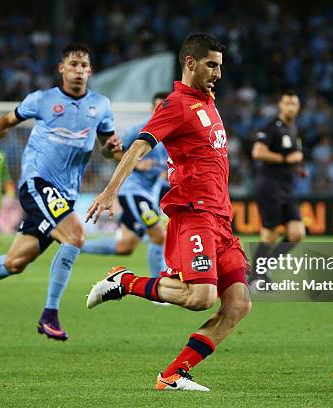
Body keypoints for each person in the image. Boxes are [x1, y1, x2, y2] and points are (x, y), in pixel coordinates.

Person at [86, 33, 251, 392]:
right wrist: (110, 191)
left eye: (220, 66)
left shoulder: (208, 100)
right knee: (201, 298)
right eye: (211, 65)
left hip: (221, 219)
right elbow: (137, 148)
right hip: (194, 214)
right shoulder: (176, 104)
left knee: (238, 305)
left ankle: (173, 375)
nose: (218, 74)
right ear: (190, 63)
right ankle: (125, 282)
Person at [0, 43, 121, 342]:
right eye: (73, 65)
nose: (78, 71)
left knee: (15, 262)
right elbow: (6, 120)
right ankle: (49, 315)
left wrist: (112, 149)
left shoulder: (101, 105)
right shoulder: (42, 99)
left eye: (83, 66)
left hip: (66, 194)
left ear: (90, 71)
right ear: (62, 69)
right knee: (75, 236)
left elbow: (107, 148)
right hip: (37, 182)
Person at [81, 92, 169, 278]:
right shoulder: (140, 130)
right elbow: (112, 152)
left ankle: (76, 244)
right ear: (151, 108)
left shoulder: (171, 133)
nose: (160, 111)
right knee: (159, 236)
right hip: (134, 192)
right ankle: (157, 289)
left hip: (151, 194)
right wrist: (136, 163)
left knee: (124, 247)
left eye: (164, 107)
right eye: (157, 107)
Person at [252, 91, 306, 244]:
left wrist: (297, 168)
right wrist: (285, 159)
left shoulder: (294, 129)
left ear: (298, 107)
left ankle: (265, 265)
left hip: (287, 187)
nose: (291, 107)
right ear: (280, 105)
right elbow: (257, 152)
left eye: (294, 104)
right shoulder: (272, 127)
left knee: (297, 234)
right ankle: (260, 267)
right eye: (287, 103)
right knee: (271, 235)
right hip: (270, 185)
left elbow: (291, 158)